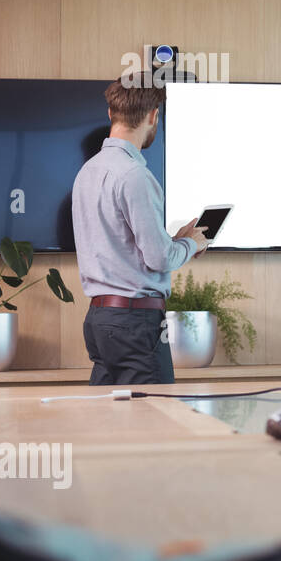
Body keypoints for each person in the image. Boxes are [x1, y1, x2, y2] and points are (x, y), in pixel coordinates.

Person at [72, 73, 208, 385]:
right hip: (135, 322)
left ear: (111, 113)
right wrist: (192, 245)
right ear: (152, 115)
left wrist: (176, 240)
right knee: (156, 421)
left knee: (110, 424)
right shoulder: (135, 175)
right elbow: (159, 259)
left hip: (100, 320)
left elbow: (121, 245)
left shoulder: (87, 172)